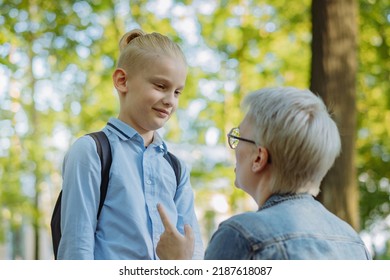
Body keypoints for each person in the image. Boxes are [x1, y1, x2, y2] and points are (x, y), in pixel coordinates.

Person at [156, 86, 371, 260]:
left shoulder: (243, 236)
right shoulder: (354, 242)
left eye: (238, 137)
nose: (235, 147)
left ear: (259, 158)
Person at [57, 29, 204, 259]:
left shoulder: (176, 169)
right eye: (160, 86)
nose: (170, 101)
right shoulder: (91, 152)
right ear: (122, 81)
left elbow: (193, 253)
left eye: (177, 92)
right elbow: (77, 251)